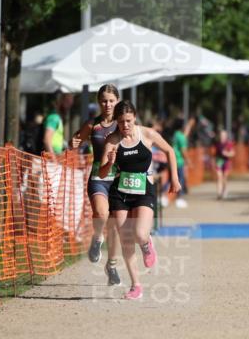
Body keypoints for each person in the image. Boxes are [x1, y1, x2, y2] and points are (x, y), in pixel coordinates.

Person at [99, 101, 181, 300]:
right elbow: (101, 174)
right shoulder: (112, 140)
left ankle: (146, 244)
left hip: (144, 189)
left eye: (128, 121)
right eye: (120, 122)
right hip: (120, 193)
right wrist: (110, 162)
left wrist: (175, 179)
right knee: (126, 239)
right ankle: (136, 285)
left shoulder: (148, 134)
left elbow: (170, 151)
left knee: (140, 233)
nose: (124, 125)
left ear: (134, 118)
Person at [71, 84, 123, 284]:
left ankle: (111, 266)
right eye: (103, 100)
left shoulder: (123, 125)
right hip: (98, 178)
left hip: (119, 179)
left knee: (116, 224)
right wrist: (73, 143)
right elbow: (76, 139)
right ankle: (97, 237)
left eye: (111, 100)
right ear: (98, 102)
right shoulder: (93, 125)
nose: (107, 104)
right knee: (102, 214)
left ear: (116, 101)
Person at [170, 117, 192, 208]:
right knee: (180, 180)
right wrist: (188, 161)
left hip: (173, 160)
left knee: (172, 179)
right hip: (179, 161)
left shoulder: (175, 134)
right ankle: (179, 198)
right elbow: (183, 150)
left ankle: (168, 197)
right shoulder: (181, 137)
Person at [213, 128, 235, 200]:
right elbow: (214, 154)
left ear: (226, 136)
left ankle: (224, 190)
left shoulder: (229, 143)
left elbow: (233, 153)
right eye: (221, 135)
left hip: (226, 162)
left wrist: (227, 154)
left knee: (224, 178)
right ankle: (219, 193)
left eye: (224, 135)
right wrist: (213, 160)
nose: (222, 136)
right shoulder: (217, 143)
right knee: (219, 177)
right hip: (219, 161)